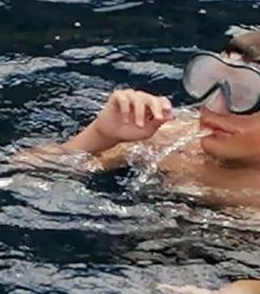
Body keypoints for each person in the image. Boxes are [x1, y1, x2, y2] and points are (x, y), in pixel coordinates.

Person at [30, 29, 260, 205]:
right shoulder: (170, 140)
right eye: (210, 81)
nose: (214, 107)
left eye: (244, 93)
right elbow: (25, 174)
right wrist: (98, 136)